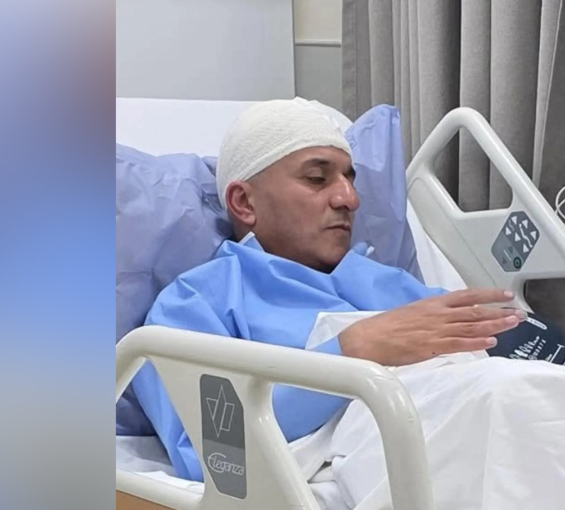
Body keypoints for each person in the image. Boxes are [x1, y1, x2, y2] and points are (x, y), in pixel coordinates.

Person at [131, 98, 528, 480]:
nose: (349, 199)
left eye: (350, 180)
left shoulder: (384, 281)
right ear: (244, 203)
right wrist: (350, 351)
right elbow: (217, 453)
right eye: (317, 179)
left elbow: (503, 359)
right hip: (411, 451)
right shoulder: (196, 304)